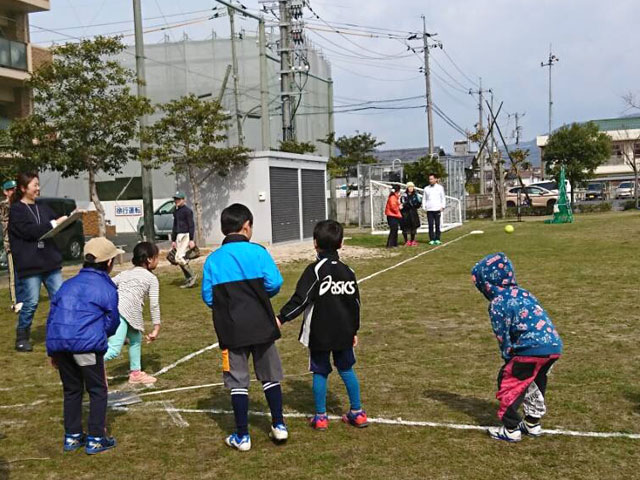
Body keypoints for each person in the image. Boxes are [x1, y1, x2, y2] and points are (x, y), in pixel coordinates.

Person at [201, 203, 288, 451]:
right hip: (262, 324)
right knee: (270, 376)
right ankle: (279, 426)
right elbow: (275, 283)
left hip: (231, 329)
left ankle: (242, 436)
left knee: (237, 381)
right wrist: (258, 298)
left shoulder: (213, 260)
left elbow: (208, 296)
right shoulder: (258, 252)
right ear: (247, 226)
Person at [278, 220, 367, 430]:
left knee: (320, 371)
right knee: (346, 368)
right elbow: (355, 304)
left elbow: (301, 298)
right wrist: (354, 330)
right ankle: (358, 412)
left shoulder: (315, 270)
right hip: (344, 330)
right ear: (341, 243)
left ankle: (320, 417)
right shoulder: (348, 271)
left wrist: (281, 318)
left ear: (315, 243)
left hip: (320, 331)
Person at [471, 252, 563, 442]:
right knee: (535, 381)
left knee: (509, 381)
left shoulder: (498, 303)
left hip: (529, 349)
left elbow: (502, 333)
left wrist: (508, 355)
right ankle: (532, 422)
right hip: (553, 345)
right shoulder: (524, 292)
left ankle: (511, 427)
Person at [46, 237, 123, 455]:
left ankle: (72, 436)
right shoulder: (106, 287)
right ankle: (96, 438)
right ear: (108, 263)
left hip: (61, 345)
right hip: (86, 347)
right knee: (98, 389)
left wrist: (53, 351)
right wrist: (100, 336)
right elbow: (113, 320)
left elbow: (53, 317)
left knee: (71, 390)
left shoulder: (67, 285)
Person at [9, 172, 67, 352]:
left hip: (50, 262)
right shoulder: (17, 210)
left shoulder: (43, 206)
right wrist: (53, 224)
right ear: (23, 188)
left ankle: (61, 331)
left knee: (60, 298)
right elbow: (30, 232)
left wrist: (69, 219)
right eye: (34, 185)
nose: (38, 188)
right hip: (30, 265)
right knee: (31, 302)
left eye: (38, 184)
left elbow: (56, 222)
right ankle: (22, 335)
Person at [105, 242, 161, 385]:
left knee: (135, 339)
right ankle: (83, 365)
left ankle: (135, 373)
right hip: (121, 314)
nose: (157, 261)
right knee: (114, 350)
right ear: (149, 259)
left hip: (119, 312)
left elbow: (107, 285)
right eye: (156, 257)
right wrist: (156, 328)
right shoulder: (152, 279)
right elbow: (154, 304)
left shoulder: (124, 273)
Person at [1, 179, 20, 312]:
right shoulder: (4, 205)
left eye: (15, 189)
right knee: (13, 275)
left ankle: (23, 298)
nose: (13, 192)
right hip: (11, 245)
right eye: (11, 190)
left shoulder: (18, 204)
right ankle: (15, 301)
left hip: (21, 244)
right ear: (5, 192)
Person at [171, 191, 197, 288]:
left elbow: (191, 225)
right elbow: (174, 226)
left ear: (183, 200)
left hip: (185, 235)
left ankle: (192, 276)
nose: (176, 201)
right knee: (179, 258)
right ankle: (189, 279)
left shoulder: (187, 211)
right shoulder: (176, 211)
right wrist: (173, 240)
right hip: (178, 236)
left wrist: (191, 239)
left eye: (178, 199)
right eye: (175, 199)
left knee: (179, 257)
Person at [422, 173, 446, 246]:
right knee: (430, 225)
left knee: (437, 224)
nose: (430, 180)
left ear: (435, 179)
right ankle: (432, 239)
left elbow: (443, 198)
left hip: (437, 209)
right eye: (429, 179)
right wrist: (424, 207)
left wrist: (443, 206)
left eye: (432, 179)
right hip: (429, 209)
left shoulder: (440, 188)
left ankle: (437, 239)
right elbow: (424, 198)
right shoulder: (426, 188)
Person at [400, 182, 422, 246]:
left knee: (413, 227)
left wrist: (415, 204)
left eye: (412, 187)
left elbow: (418, 203)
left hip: (413, 212)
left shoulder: (416, 195)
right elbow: (403, 203)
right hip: (405, 213)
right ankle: (406, 241)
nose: (411, 188)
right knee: (405, 227)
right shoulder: (404, 195)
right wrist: (408, 204)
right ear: (407, 188)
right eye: (409, 187)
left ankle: (412, 240)